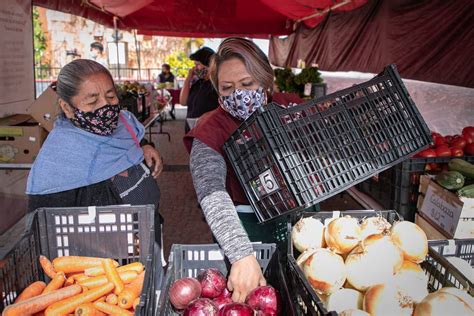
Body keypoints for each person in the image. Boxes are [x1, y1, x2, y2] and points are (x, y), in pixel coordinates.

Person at [184, 38, 303, 303]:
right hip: (246, 227)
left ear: (265, 79)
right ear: (217, 89)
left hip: (299, 221)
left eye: (248, 84)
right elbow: (211, 192)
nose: (239, 94)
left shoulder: (287, 107)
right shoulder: (210, 132)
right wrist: (241, 254)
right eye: (227, 88)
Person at [26, 59, 163, 241]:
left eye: (111, 96)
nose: (105, 107)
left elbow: (129, 142)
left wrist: (145, 146)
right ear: (67, 107)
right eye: (92, 101)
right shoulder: (59, 160)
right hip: (106, 264)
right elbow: (48, 233)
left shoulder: (124, 124)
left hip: (149, 239)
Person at [180, 47, 219, 133]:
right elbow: (183, 102)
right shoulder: (198, 83)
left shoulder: (216, 86)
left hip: (207, 132)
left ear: (208, 65)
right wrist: (188, 78)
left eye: (197, 64)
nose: (194, 68)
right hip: (191, 130)